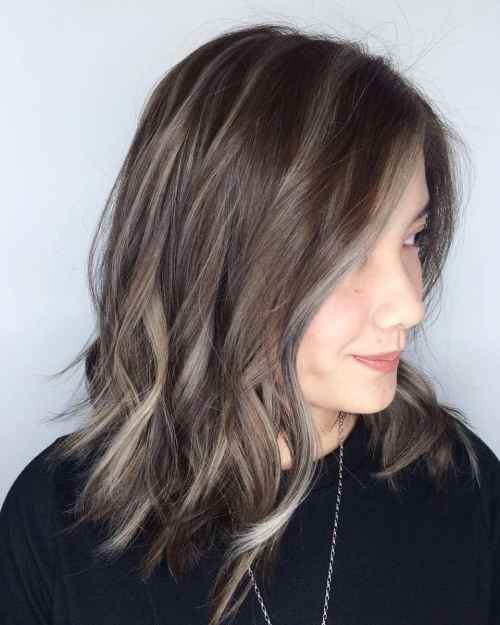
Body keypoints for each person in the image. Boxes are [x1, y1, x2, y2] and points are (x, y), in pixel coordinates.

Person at [1, 22, 499, 625]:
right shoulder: (59, 524)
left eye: (412, 237)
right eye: (346, 256)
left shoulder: (462, 487)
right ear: (215, 261)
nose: (409, 306)